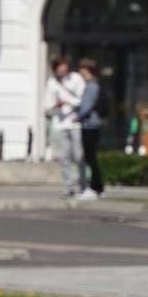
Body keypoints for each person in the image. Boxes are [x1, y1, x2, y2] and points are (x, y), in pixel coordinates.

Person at [45, 58, 86, 199]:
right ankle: (68, 186)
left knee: (78, 154)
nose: (62, 70)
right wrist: (55, 105)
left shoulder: (76, 79)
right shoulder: (51, 82)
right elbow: (47, 106)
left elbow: (81, 100)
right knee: (64, 157)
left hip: (74, 121)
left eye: (64, 67)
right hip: (59, 123)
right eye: (59, 67)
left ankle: (83, 184)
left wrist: (67, 101)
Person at [75, 59, 105, 199]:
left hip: (89, 124)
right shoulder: (95, 84)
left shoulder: (91, 86)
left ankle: (94, 187)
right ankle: (98, 187)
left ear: (87, 70)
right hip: (92, 124)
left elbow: (86, 105)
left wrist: (77, 116)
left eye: (82, 69)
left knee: (90, 157)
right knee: (91, 157)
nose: (80, 72)